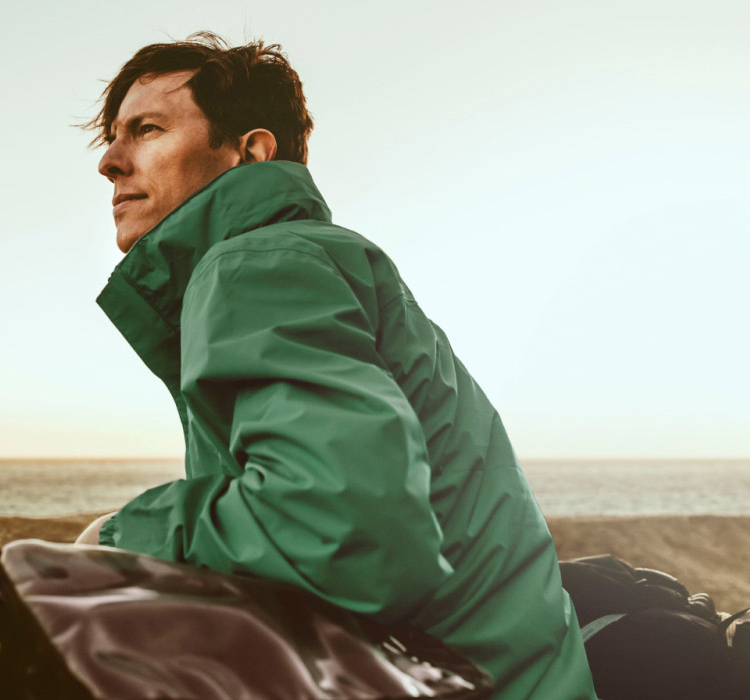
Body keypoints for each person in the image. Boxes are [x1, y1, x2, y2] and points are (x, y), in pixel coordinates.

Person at [78, 33, 595, 699]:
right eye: (112, 137)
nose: (111, 163)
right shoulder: (307, 257)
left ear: (250, 152)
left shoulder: (256, 262)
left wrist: (117, 538)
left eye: (146, 129)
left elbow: (345, 526)